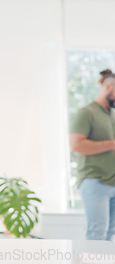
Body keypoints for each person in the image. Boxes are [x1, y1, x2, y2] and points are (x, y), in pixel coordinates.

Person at [70, 69, 115, 241]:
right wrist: (112, 144)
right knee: (97, 233)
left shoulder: (111, 116)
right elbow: (76, 145)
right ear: (109, 87)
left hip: (112, 182)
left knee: (110, 236)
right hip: (94, 181)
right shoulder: (86, 113)